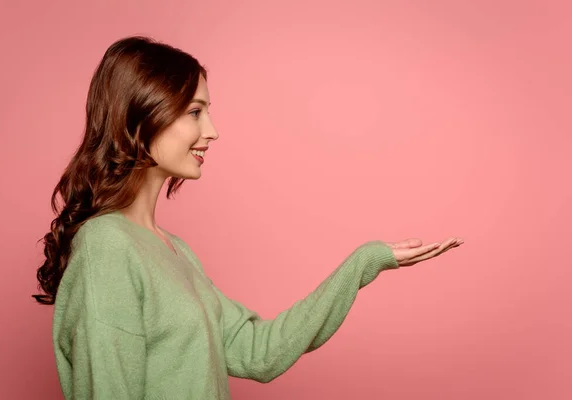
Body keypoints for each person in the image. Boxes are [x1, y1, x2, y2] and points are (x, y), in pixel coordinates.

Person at [33, 35, 463, 399]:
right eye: (195, 112)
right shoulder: (107, 245)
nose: (212, 130)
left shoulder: (174, 250)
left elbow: (258, 352)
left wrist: (365, 261)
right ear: (144, 117)